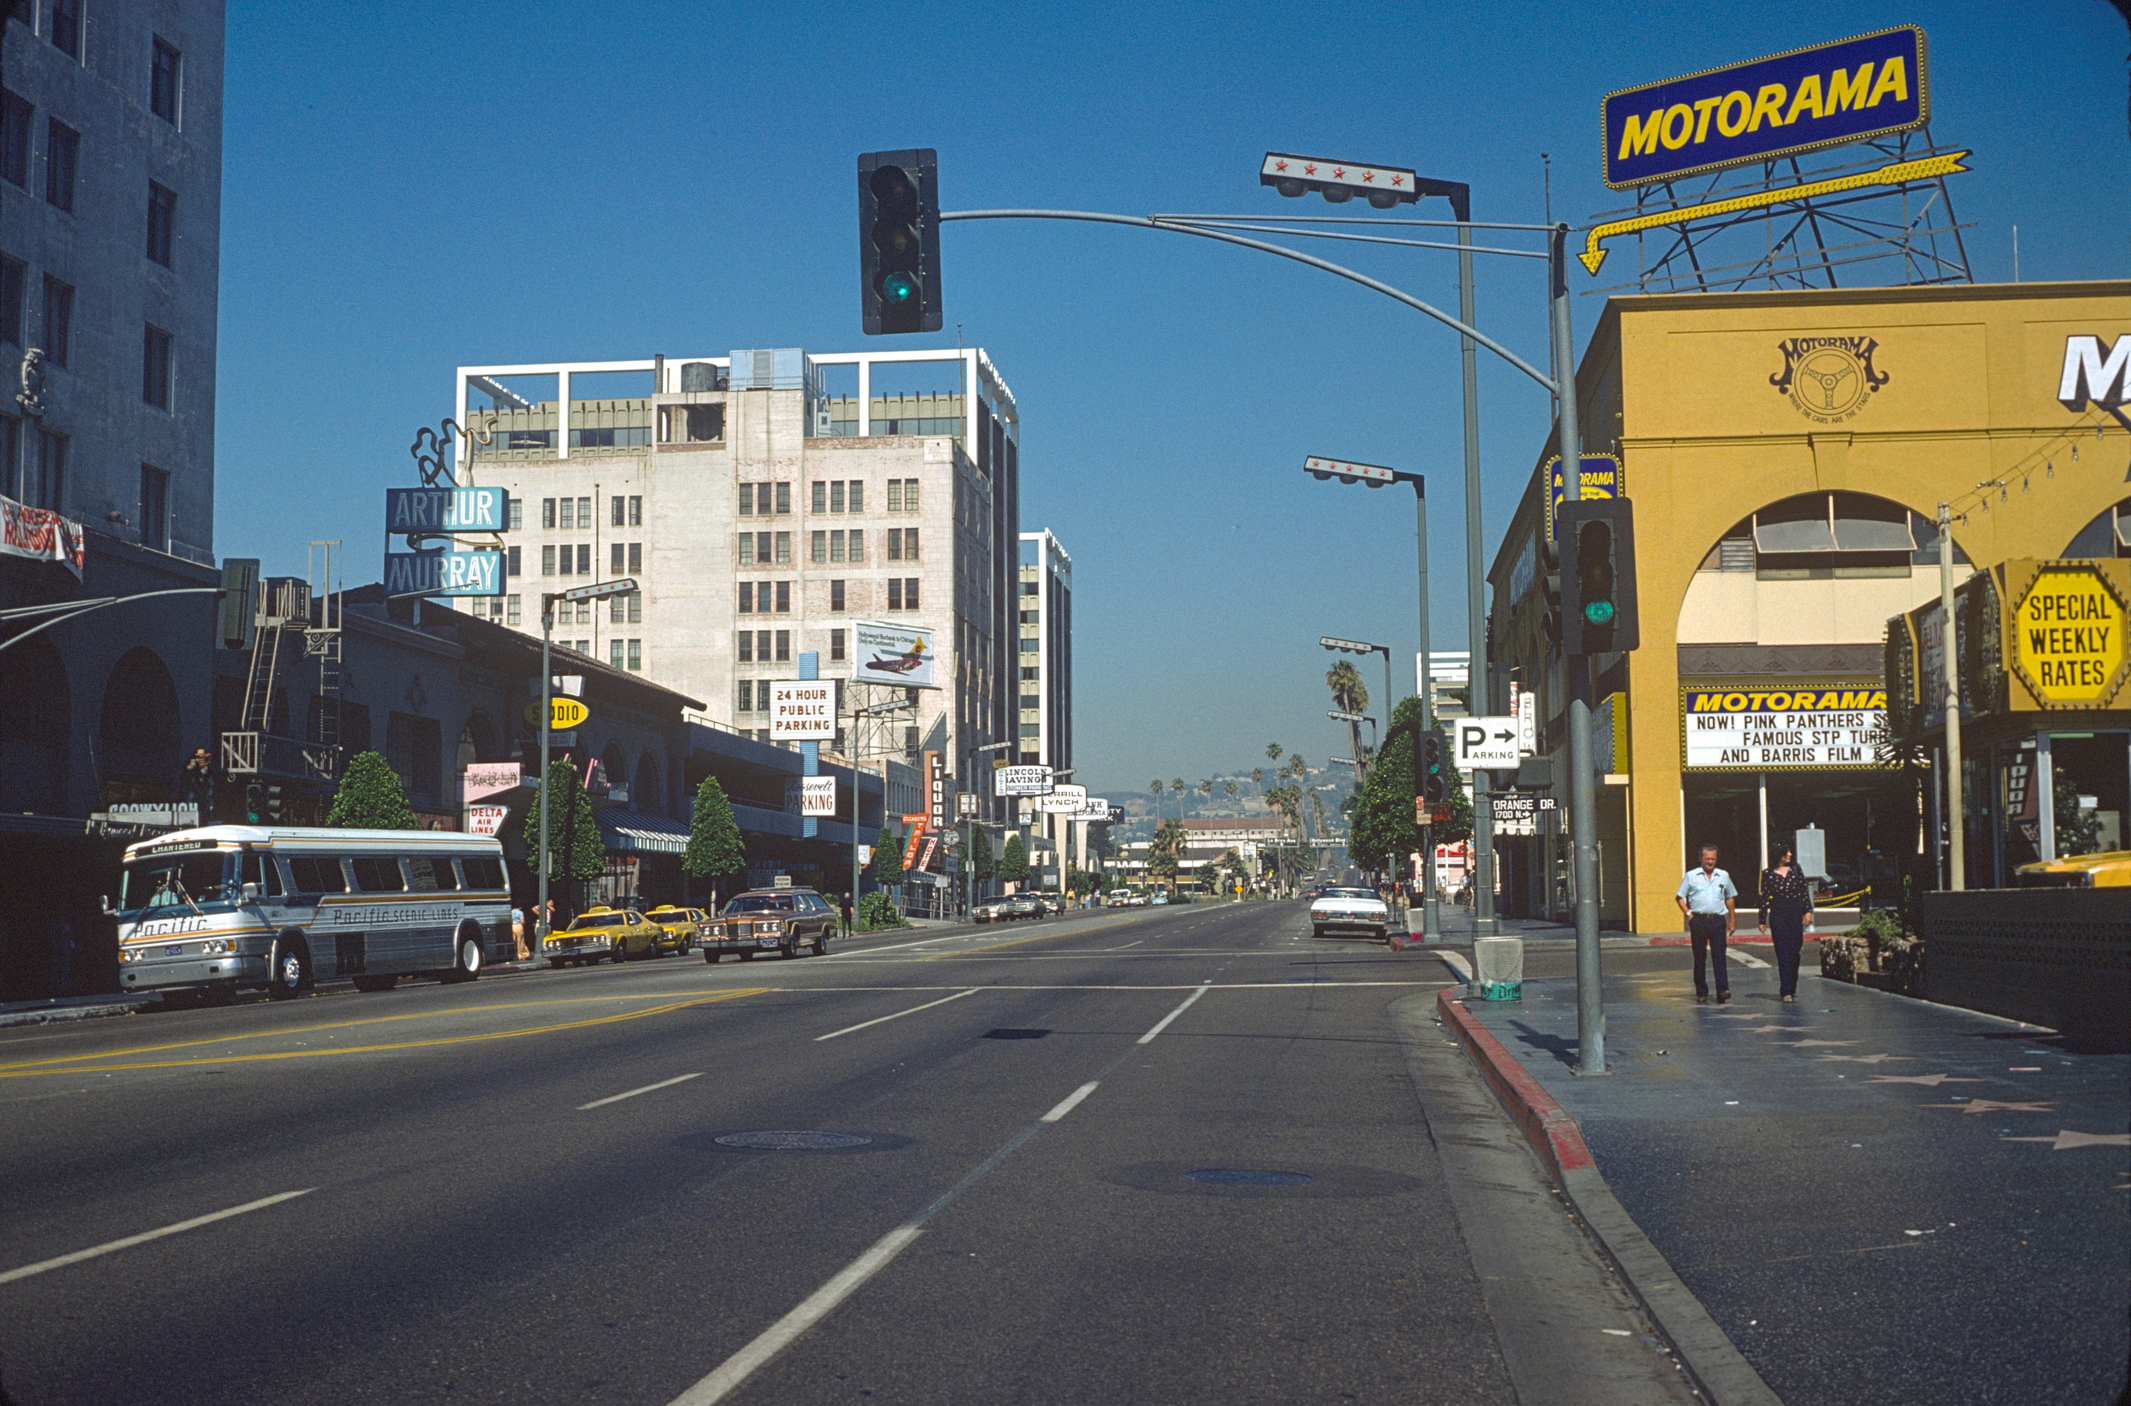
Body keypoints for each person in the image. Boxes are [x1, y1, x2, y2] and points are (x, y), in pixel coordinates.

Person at [1675, 845, 1738, 1003]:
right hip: (1698, 921)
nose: (1710, 862)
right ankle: (1701, 991)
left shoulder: (1723, 876)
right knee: (1700, 957)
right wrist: (1689, 915)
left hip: (1717, 920)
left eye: (1713, 859)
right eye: (1707, 858)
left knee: (1719, 956)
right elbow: (1679, 897)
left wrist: (1732, 920)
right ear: (1701, 859)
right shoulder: (1691, 876)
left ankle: (1722, 990)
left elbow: (1730, 897)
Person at [1757, 846, 1814, 1003]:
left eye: (1790, 852)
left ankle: (1792, 985)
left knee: (1794, 949)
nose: (1789, 854)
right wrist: (1762, 920)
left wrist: (1807, 911)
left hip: (1794, 910)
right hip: (1778, 912)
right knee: (1782, 951)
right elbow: (1764, 898)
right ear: (1778, 855)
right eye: (1786, 852)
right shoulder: (1768, 874)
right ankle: (1785, 990)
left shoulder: (1795, 869)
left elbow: (1803, 891)